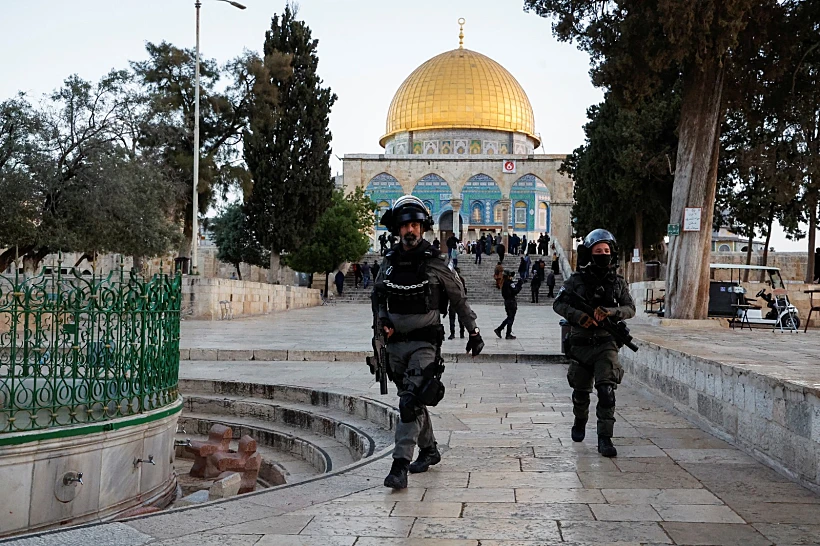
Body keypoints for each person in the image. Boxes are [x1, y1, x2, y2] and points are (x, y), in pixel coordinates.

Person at [373, 195, 484, 490]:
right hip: (395, 345)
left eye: (415, 225)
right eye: (404, 225)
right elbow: (380, 298)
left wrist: (473, 332)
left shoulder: (435, 263)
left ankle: (399, 466)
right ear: (397, 229)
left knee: (409, 401)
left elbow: (459, 298)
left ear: (423, 228)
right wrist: (382, 323)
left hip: (424, 344)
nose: (410, 230)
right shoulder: (389, 263)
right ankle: (430, 450)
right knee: (413, 401)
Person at [553, 229, 636, 458]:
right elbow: (558, 303)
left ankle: (604, 438)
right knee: (580, 392)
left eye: (606, 251)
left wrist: (610, 312)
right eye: (598, 251)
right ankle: (580, 422)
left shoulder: (618, 282)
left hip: (606, 343)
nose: (603, 254)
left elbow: (630, 308)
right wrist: (580, 317)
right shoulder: (576, 281)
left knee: (607, 391)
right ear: (589, 253)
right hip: (581, 343)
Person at [494, 271, 525, 339]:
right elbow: (515, 290)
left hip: (507, 302)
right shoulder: (509, 283)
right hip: (511, 302)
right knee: (511, 318)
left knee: (509, 317)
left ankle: (500, 329)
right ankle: (506, 333)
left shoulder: (504, 283)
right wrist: (519, 284)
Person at [448, 267, 467, 339]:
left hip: (456, 302)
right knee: (458, 318)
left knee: (455, 318)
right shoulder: (460, 279)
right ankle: (459, 333)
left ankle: (454, 333)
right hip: (457, 301)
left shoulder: (452, 280)